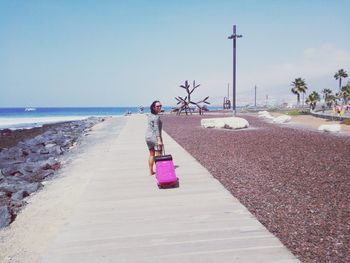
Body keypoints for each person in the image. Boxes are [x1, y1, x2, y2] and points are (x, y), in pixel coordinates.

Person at [145, 101, 163, 175]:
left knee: (152, 154)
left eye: (160, 106)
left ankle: (151, 171)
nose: (159, 107)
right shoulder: (156, 117)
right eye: (157, 106)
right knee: (158, 154)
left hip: (148, 137)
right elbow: (156, 128)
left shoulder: (150, 115)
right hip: (154, 137)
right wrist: (159, 140)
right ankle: (159, 171)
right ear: (153, 107)